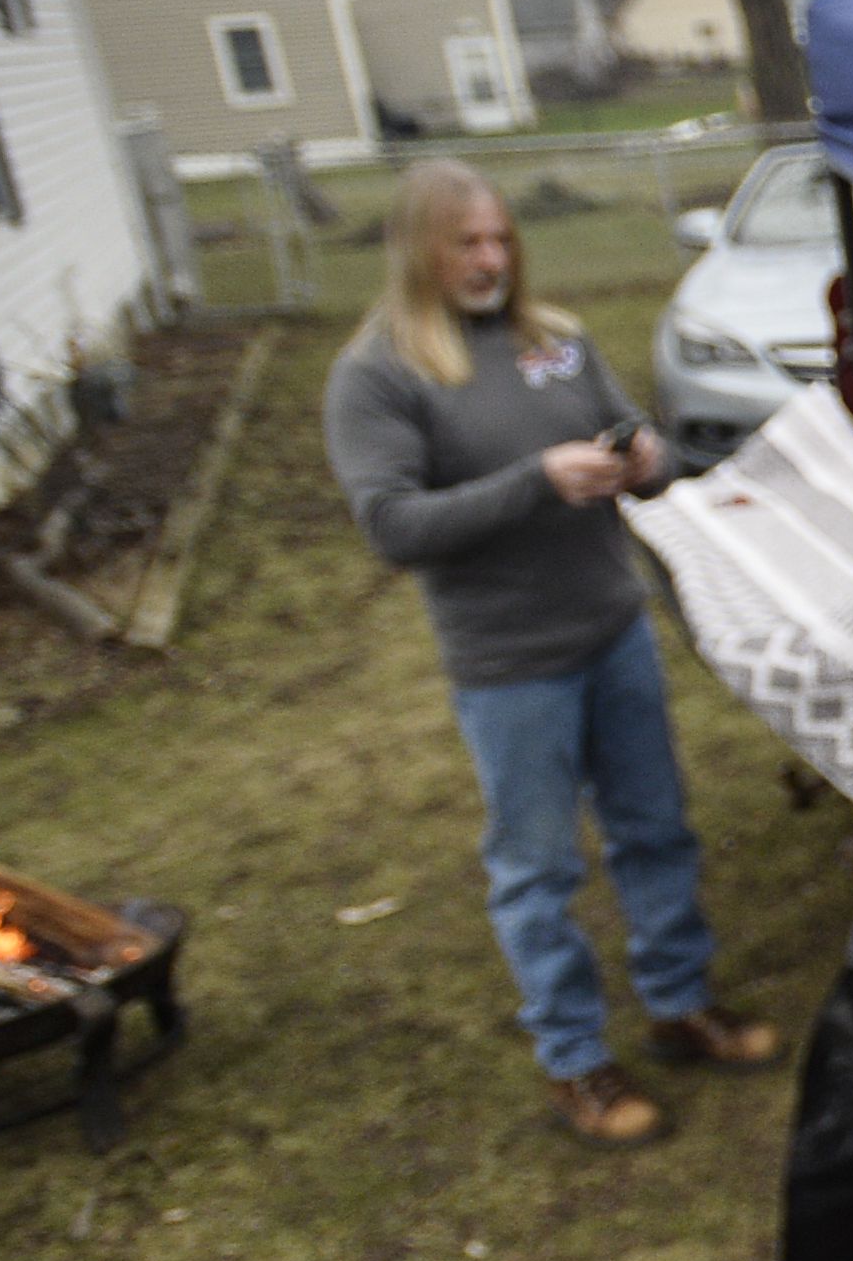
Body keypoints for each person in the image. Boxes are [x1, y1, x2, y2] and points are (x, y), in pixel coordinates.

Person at [322, 161, 781, 1146]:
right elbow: (393, 524)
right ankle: (575, 1059)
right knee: (537, 868)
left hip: (611, 627)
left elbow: (638, 435)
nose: (490, 259)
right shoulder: (380, 372)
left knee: (655, 826)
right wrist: (535, 478)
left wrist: (647, 457)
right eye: (467, 244)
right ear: (420, 252)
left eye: (500, 239)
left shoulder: (554, 340)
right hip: (510, 660)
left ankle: (678, 1002)